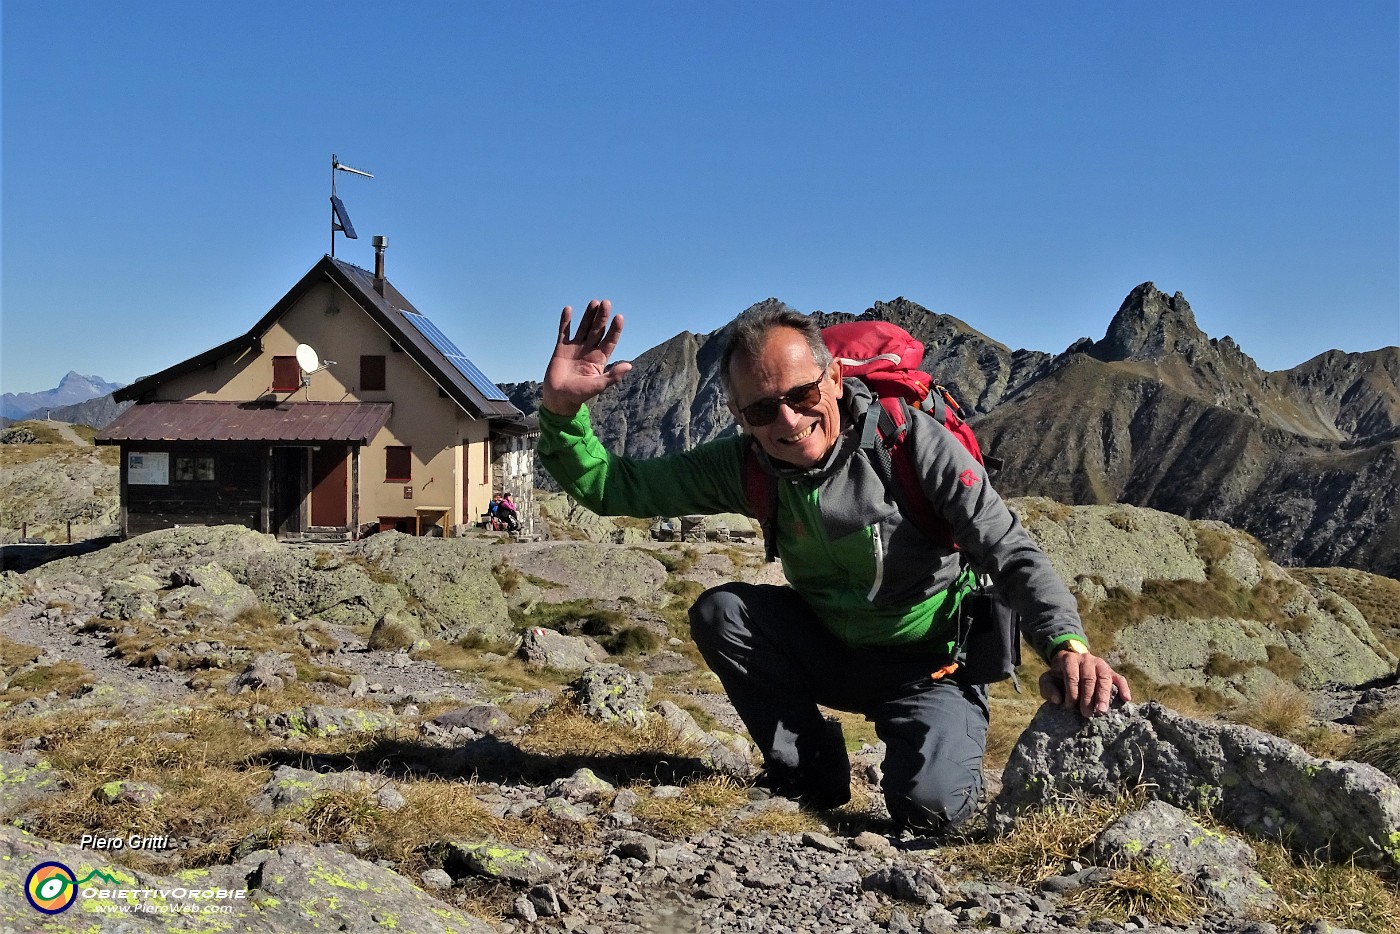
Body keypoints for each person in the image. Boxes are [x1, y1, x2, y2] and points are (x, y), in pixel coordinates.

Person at [536, 299, 1131, 834]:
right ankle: (810, 772)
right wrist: (564, 414)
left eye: (801, 395)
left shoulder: (911, 445)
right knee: (723, 614)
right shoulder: (749, 462)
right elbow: (621, 488)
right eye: (764, 409)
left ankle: (931, 750)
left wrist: (1066, 644)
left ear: (834, 378)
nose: (788, 422)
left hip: (931, 665)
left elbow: (1008, 549)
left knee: (932, 812)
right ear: (741, 417)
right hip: (829, 646)